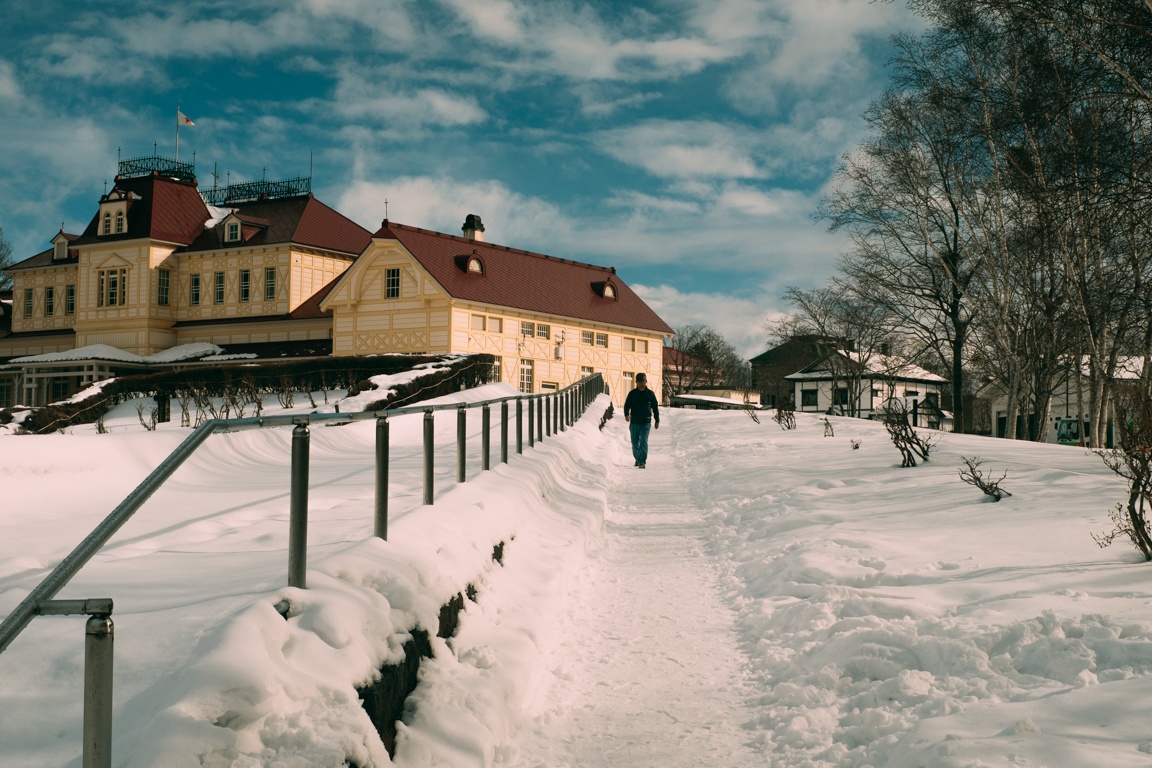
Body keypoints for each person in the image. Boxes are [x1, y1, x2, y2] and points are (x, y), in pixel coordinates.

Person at [623, 372, 660, 468]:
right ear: (636, 382)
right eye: (639, 382)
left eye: (643, 381)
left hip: (646, 422)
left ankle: (642, 461)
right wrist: (626, 414)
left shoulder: (650, 394)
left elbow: (655, 407)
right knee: (635, 443)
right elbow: (627, 405)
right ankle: (638, 458)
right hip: (634, 422)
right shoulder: (632, 394)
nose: (641, 383)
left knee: (643, 441)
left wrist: (657, 420)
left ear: (646, 382)